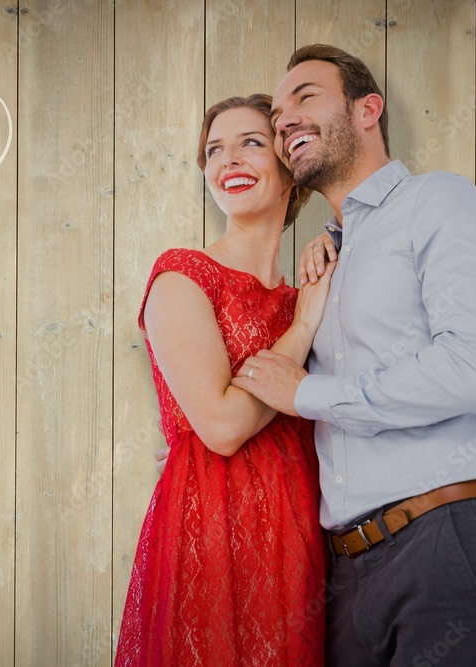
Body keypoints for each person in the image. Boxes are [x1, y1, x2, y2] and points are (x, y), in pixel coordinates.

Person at [228, 44, 476, 665]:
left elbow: (468, 373)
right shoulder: (326, 262)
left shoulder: (441, 204)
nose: (283, 117)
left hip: (447, 548)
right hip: (346, 578)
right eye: (277, 112)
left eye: (306, 97)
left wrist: (303, 392)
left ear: (367, 109)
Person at [115, 94, 333, 666]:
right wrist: (306, 324)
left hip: (301, 538)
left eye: (250, 143)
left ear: (291, 166)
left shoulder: (310, 290)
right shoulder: (182, 277)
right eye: (214, 150)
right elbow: (222, 425)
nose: (227, 161)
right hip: (209, 534)